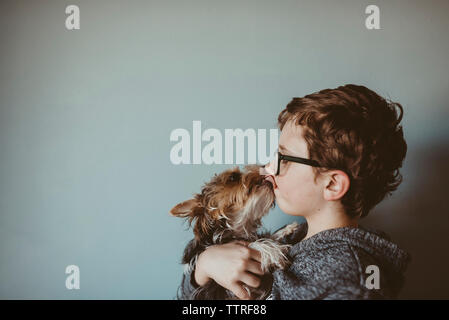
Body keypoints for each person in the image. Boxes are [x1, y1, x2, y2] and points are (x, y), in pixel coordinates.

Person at [178, 84, 411, 300]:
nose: (268, 168)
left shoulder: (350, 281)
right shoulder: (291, 238)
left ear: (332, 185)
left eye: (285, 159)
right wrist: (204, 267)